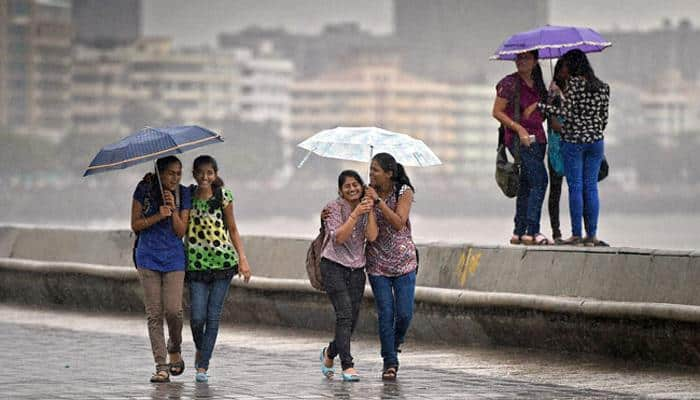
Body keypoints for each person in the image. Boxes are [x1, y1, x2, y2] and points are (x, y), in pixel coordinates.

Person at [185, 155, 252, 383]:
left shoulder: (223, 196)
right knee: (196, 317)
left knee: (212, 316)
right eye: (201, 172)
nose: (205, 177)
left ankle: (202, 366)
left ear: (215, 174)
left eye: (210, 173)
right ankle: (201, 349)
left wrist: (243, 259)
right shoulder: (187, 197)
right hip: (195, 265)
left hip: (223, 263)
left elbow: (233, 229)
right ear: (194, 173)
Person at [539, 49, 610, 247]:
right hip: (596, 142)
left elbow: (565, 112)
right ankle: (592, 235)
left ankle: (577, 234)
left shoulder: (574, 84)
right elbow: (604, 119)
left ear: (572, 66)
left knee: (576, 187)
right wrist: (592, 130)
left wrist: (541, 106)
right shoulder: (603, 87)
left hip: (573, 142)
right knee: (591, 187)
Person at [131, 155, 191, 383]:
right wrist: (158, 215)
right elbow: (135, 224)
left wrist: (173, 210)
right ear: (160, 173)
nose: (175, 178)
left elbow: (180, 231)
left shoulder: (184, 193)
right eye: (171, 173)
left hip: (174, 258)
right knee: (154, 313)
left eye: (179, 173)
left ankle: (174, 346)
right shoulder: (143, 189)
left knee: (174, 311)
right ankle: (161, 365)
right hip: (147, 257)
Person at [362, 153, 418, 381]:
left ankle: (393, 344)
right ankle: (390, 363)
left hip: (404, 261)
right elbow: (372, 236)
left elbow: (398, 222)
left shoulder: (404, 191)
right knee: (386, 313)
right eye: (370, 169)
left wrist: (378, 202)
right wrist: (367, 204)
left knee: (404, 314)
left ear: (389, 173)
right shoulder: (367, 194)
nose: (371, 174)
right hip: (377, 263)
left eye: (375, 170)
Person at [319, 170, 378, 382]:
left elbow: (371, 236)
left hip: (356, 269)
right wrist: (355, 214)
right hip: (333, 265)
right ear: (340, 190)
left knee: (351, 320)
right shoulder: (332, 208)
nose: (352, 189)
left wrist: (369, 210)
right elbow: (339, 238)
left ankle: (330, 352)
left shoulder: (367, 207)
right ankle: (348, 365)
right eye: (347, 186)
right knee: (344, 314)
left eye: (356, 185)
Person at [492, 50, 552, 245]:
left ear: (535, 61)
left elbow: (539, 116)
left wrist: (545, 101)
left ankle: (519, 232)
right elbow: (497, 112)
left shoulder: (539, 85)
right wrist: (519, 129)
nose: (521, 61)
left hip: (538, 140)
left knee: (526, 184)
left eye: (526, 57)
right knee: (540, 181)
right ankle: (532, 231)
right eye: (519, 57)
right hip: (518, 140)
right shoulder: (509, 83)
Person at [546, 58, 570, 244]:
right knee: (555, 191)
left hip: (573, 146)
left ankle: (578, 231)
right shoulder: (552, 93)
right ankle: (556, 232)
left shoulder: (576, 92)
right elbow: (553, 123)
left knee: (576, 189)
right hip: (556, 147)